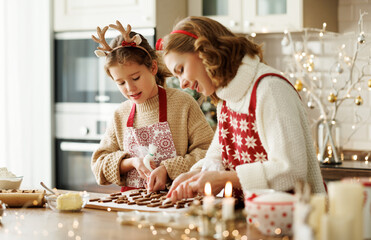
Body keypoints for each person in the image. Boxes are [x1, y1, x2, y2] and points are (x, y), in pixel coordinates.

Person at [157, 16, 326, 201]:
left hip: (295, 218)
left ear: (204, 50)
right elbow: (217, 157)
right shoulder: (226, 99)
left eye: (181, 69)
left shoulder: (269, 89)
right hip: (253, 215)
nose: (183, 84)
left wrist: (223, 180)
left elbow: (291, 171)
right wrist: (194, 175)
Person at [90, 20, 214, 192]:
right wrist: (131, 162)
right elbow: (98, 165)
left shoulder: (182, 104)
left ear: (153, 67)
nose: (130, 88)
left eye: (135, 78)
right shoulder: (121, 114)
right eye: (121, 82)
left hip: (178, 203)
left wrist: (168, 169)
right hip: (131, 208)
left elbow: (208, 153)